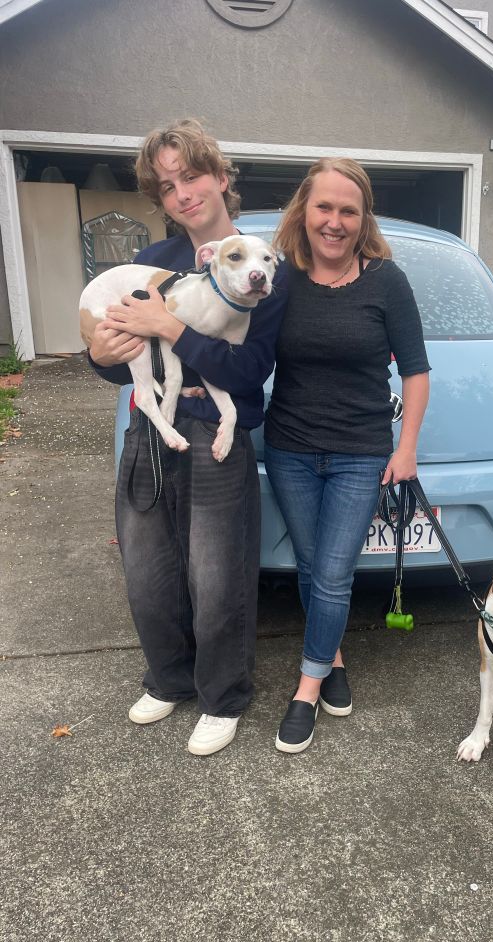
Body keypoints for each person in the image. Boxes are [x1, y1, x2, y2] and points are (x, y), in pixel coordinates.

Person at [87, 119, 287, 756]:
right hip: (152, 426)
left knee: (217, 571)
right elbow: (120, 354)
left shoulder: (258, 263)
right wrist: (98, 350)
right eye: (168, 185)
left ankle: (223, 696)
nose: (182, 193)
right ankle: (169, 679)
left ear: (221, 178)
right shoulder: (156, 264)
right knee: (148, 566)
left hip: (216, 434)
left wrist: (171, 331)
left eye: (192, 176)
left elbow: (251, 370)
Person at [266, 157, 430, 754]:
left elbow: (415, 371)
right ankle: (330, 656)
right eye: (324, 208)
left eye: (348, 211)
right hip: (289, 449)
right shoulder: (278, 278)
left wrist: (406, 448)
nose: (334, 221)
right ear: (303, 213)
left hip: (361, 453)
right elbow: (237, 338)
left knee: (333, 573)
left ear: (363, 221)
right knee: (312, 569)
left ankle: (305, 689)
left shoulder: (387, 281)